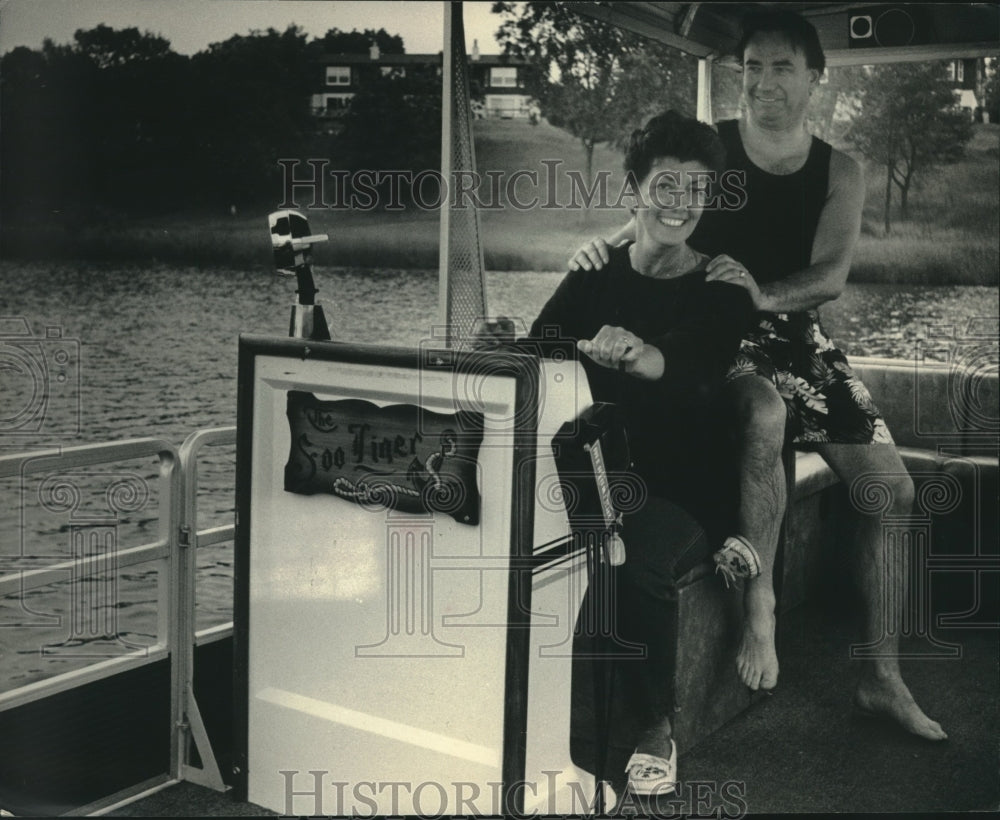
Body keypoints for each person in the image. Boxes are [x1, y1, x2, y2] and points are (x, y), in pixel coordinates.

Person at [568, 8, 946, 741]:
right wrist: (600, 249)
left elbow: (832, 273)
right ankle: (761, 610)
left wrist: (765, 295)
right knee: (763, 416)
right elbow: (659, 204)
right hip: (712, 329)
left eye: (780, 67)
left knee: (891, 489)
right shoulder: (717, 147)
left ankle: (881, 676)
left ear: (815, 77)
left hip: (796, 332)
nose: (762, 81)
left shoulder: (841, 169)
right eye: (751, 67)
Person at [479, 110, 755, 796]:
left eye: (695, 191)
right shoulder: (595, 271)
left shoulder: (721, 288)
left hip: (686, 489)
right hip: (597, 475)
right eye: (665, 186)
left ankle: (657, 725)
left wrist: (633, 352)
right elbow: (542, 353)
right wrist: (501, 340)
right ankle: (496, 698)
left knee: (631, 557)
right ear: (634, 190)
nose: (680, 205)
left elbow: (685, 369)